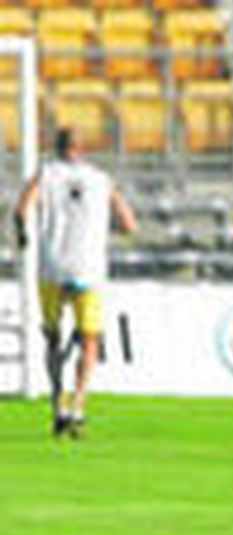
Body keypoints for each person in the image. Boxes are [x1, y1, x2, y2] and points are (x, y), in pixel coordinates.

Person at [12, 128, 138, 438]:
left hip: (52, 267)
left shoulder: (45, 175)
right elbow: (129, 224)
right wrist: (103, 228)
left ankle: (58, 403)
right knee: (90, 340)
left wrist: (23, 236)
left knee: (52, 338)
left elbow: (21, 210)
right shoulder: (101, 180)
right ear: (83, 149)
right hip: (88, 269)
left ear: (57, 148)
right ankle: (78, 405)